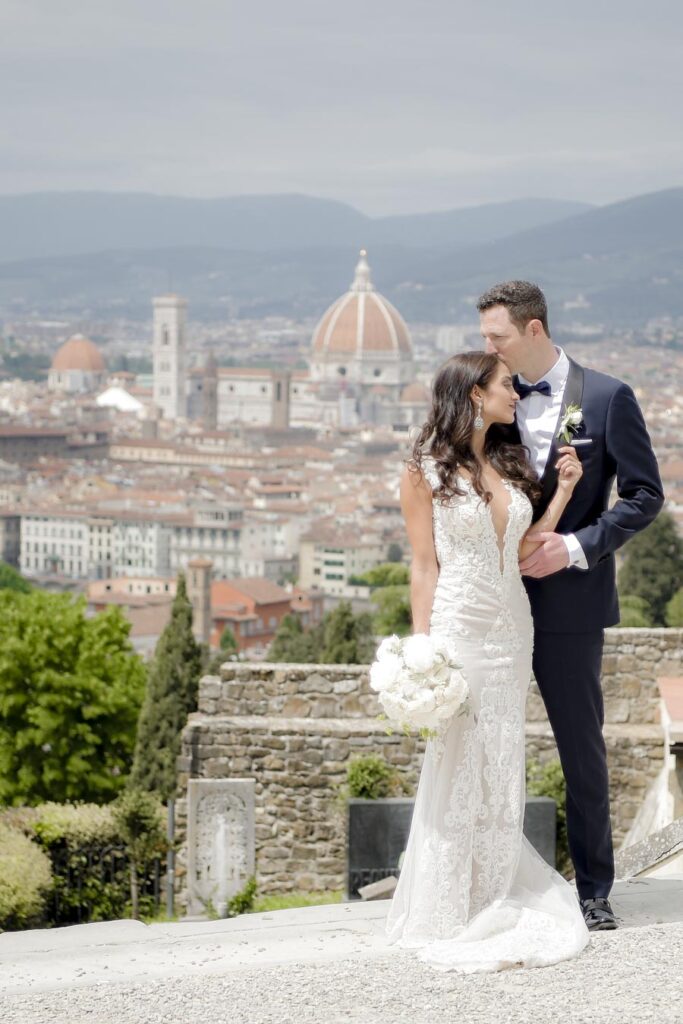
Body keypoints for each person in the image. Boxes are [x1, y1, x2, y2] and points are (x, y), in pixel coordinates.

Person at [386, 351, 590, 972]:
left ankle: (492, 889)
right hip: (460, 628)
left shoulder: (506, 459)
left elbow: (523, 545)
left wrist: (564, 495)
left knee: (502, 759)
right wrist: (423, 652)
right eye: (507, 385)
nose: (516, 394)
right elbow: (424, 565)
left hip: (512, 630)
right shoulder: (424, 469)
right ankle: (448, 903)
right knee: (459, 760)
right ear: (476, 394)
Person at [477, 281, 663, 931]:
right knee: (483, 743)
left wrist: (576, 546)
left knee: (579, 749)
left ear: (533, 330)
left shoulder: (608, 398)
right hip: (493, 602)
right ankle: (489, 884)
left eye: (495, 336)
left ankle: (593, 891)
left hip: (571, 604)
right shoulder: (488, 398)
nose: (486, 347)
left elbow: (644, 497)